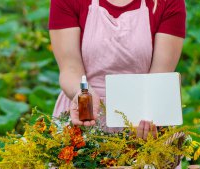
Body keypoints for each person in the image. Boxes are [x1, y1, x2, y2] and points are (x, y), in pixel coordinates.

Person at [49, 0, 186, 139]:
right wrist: (82, 94)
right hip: (84, 116)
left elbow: (160, 75)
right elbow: (70, 69)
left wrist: (148, 117)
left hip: (142, 118)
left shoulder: (168, 2)